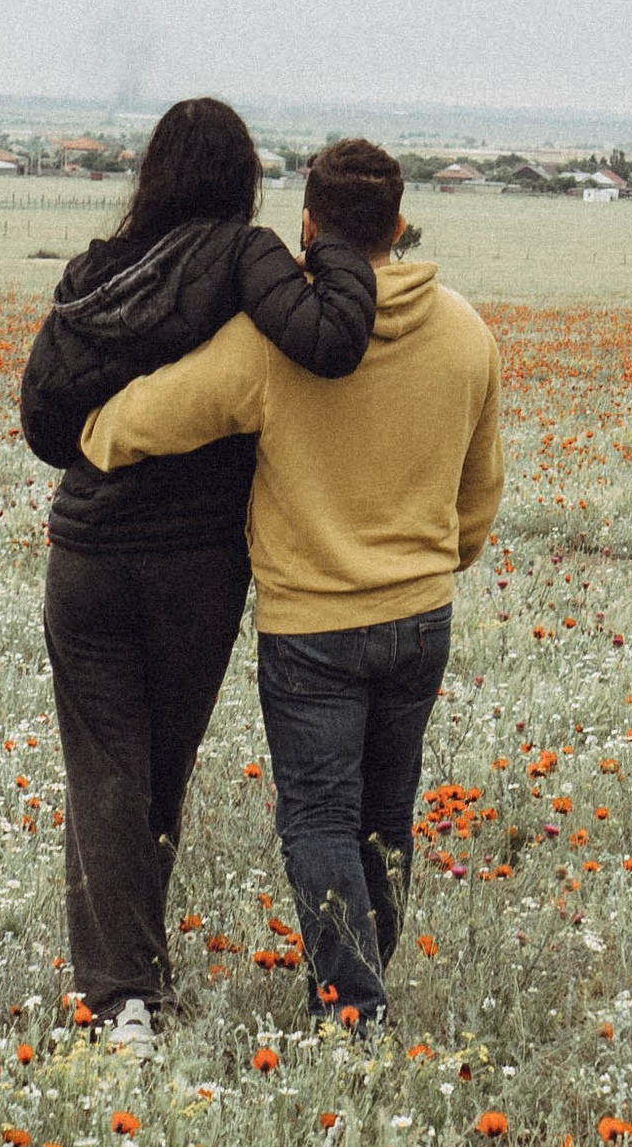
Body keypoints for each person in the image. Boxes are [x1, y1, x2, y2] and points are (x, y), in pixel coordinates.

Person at [79, 135, 501, 1037]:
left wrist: (91, 432)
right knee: (386, 818)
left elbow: (153, 416)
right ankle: (360, 990)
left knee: (318, 819)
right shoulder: (466, 332)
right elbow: (481, 491)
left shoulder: (273, 345)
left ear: (307, 227)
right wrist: (435, 564)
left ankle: (355, 1014)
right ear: (400, 224)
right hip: (421, 615)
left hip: (312, 626)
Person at [21, 98, 375, 1053]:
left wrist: (114, 417)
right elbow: (332, 340)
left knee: (104, 771)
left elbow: (43, 422)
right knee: (158, 773)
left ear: (155, 172)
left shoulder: (96, 273)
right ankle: (129, 989)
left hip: (88, 557)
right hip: (194, 566)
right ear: (243, 179)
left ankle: (122, 999)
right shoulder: (242, 255)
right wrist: (340, 243)